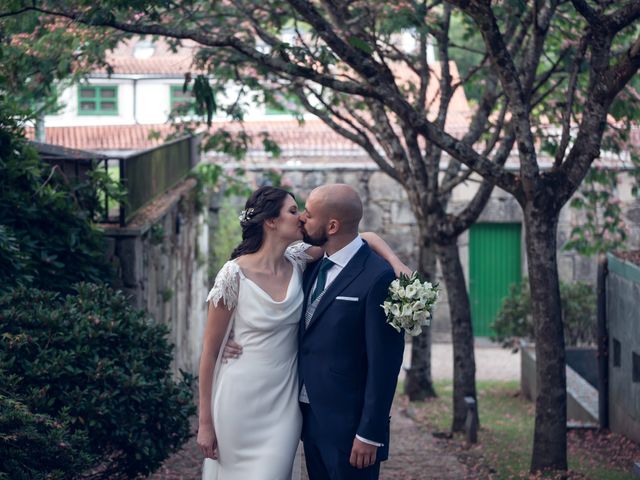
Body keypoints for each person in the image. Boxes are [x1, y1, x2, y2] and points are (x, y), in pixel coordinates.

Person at [198, 185, 408, 480]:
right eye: (295, 211)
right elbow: (209, 351)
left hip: (285, 404)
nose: (301, 218)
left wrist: (395, 263)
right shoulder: (233, 274)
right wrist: (205, 422)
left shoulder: (298, 260)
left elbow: (358, 238)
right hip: (239, 399)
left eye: (304, 213)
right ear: (270, 221)